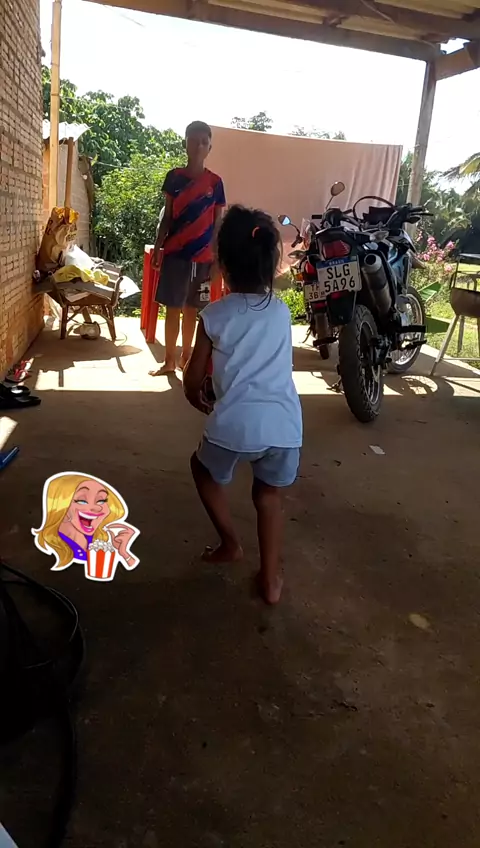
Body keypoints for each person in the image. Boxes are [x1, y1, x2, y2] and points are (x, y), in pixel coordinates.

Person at [183, 205, 303, 604]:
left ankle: (230, 543)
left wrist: (198, 397)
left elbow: (193, 379)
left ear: (223, 264)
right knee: (268, 497)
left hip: (233, 426)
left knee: (202, 469)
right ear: (270, 262)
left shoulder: (213, 315)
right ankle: (270, 581)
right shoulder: (282, 313)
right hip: (284, 428)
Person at [150, 121, 226, 375]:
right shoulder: (174, 178)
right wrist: (159, 246)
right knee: (172, 308)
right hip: (175, 254)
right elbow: (167, 215)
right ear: (185, 144)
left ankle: (186, 358)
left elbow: (218, 223)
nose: (198, 146)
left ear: (210, 147)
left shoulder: (215, 183)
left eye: (204, 142)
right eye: (193, 141)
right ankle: (169, 361)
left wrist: (217, 259)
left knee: (193, 309)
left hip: (203, 258)